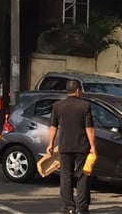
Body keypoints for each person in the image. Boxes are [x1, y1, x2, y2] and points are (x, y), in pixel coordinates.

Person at [47, 79, 97, 214]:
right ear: (78, 91)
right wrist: (93, 146)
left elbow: (53, 126)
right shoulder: (85, 106)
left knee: (65, 176)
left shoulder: (58, 106)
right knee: (83, 176)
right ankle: (82, 208)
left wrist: (50, 144)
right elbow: (89, 128)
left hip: (64, 146)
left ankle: (69, 207)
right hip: (82, 146)